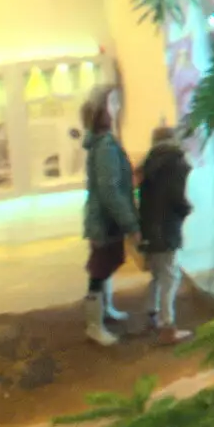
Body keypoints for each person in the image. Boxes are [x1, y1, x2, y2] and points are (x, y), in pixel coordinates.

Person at [80, 84, 139, 347]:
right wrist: (130, 223)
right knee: (99, 271)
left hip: (105, 219)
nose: (117, 107)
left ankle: (106, 310)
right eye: (112, 103)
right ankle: (94, 325)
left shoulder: (105, 142)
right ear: (102, 111)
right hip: (105, 221)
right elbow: (109, 190)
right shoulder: (105, 146)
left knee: (106, 267)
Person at [138, 125, 194, 345]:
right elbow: (176, 197)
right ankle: (167, 325)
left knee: (157, 274)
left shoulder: (148, 164)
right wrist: (186, 209)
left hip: (149, 228)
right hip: (166, 227)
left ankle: (151, 313)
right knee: (170, 276)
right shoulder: (176, 164)